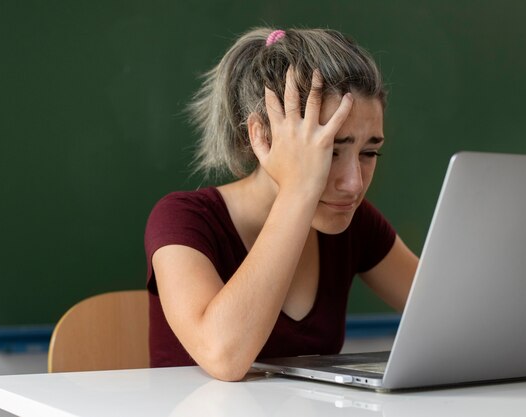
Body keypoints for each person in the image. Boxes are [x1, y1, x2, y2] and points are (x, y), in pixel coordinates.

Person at [144, 27, 418, 381]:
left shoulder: (354, 222)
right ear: (261, 135)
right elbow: (225, 356)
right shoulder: (182, 219)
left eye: (369, 153)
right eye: (330, 151)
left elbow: (452, 318)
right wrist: (298, 191)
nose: (354, 183)